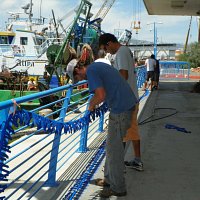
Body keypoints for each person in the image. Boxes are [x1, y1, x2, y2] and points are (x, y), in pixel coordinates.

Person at [66, 58, 138, 198]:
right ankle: (109, 180)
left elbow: (100, 95)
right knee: (111, 148)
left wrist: (91, 105)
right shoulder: (96, 66)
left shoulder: (92, 71)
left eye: (77, 77)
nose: (81, 79)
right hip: (124, 107)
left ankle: (118, 188)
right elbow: (106, 90)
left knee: (115, 151)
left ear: (78, 70)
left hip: (120, 111)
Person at [99, 33, 143, 171]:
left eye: (105, 49)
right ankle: (134, 160)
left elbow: (123, 75)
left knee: (123, 134)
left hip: (126, 101)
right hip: (130, 98)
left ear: (109, 43)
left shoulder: (121, 52)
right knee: (128, 132)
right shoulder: (125, 51)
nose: (107, 52)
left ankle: (118, 165)